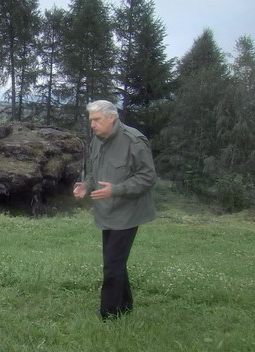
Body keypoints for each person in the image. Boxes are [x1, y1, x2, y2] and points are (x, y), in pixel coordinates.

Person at [73, 100, 157, 320]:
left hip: (128, 212)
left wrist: (116, 190)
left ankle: (109, 315)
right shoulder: (97, 140)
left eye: (97, 120)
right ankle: (125, 305)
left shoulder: (134, 141)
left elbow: (147, 178)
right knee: (115, 262)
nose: (92, 125)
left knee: (112, 265)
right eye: (91, 120)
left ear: (112, 117)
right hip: (106, 211)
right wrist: (86, 185)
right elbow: (95, 170)